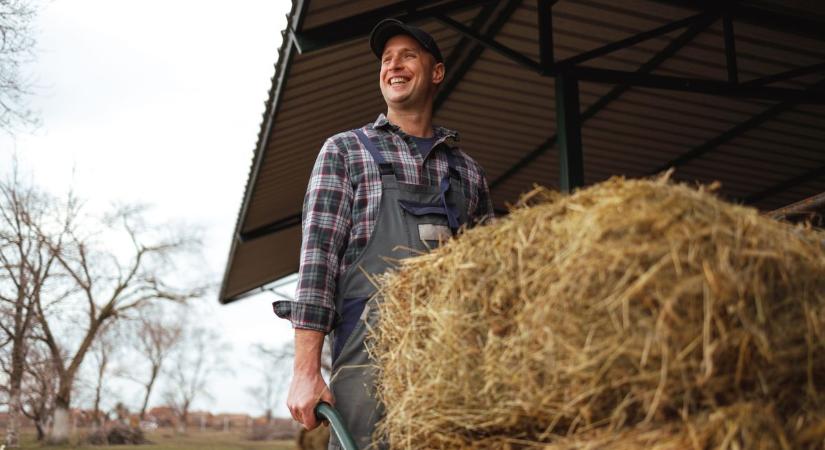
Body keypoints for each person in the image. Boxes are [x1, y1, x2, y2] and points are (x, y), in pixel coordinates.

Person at [274, 18, 494, 449]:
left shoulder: (468, 173)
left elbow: (488, 284)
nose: (394, 65)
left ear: (436, 72)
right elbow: (317, 265)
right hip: (366, 373)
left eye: (408, 56)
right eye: (386, 59)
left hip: (450, 372)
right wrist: (305, 370)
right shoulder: (345, 152)